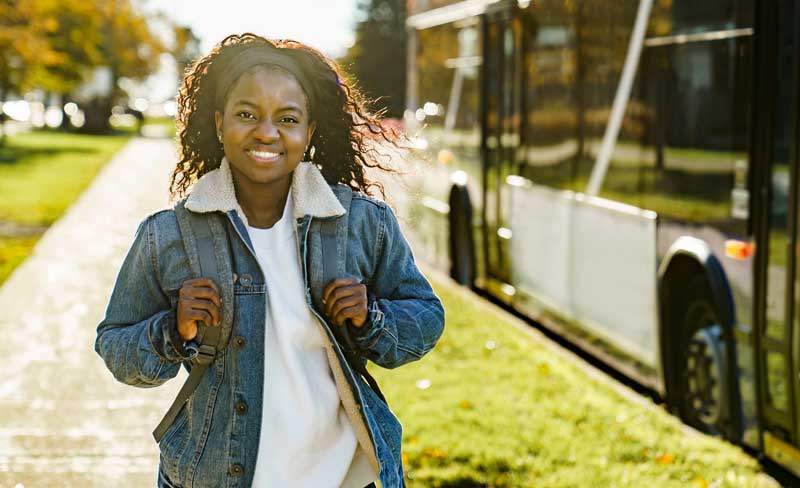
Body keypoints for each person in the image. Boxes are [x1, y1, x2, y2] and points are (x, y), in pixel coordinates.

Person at [95, 33, 445, 488]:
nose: (266, 132)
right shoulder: (169, 234)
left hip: (344, 477)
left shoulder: (361, 222)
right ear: (219, 124)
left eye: (287, 118)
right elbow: (116, 348)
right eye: (247, 114)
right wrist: (173, 329)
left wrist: (371, 318)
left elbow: (426, 318)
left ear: (309, 132)